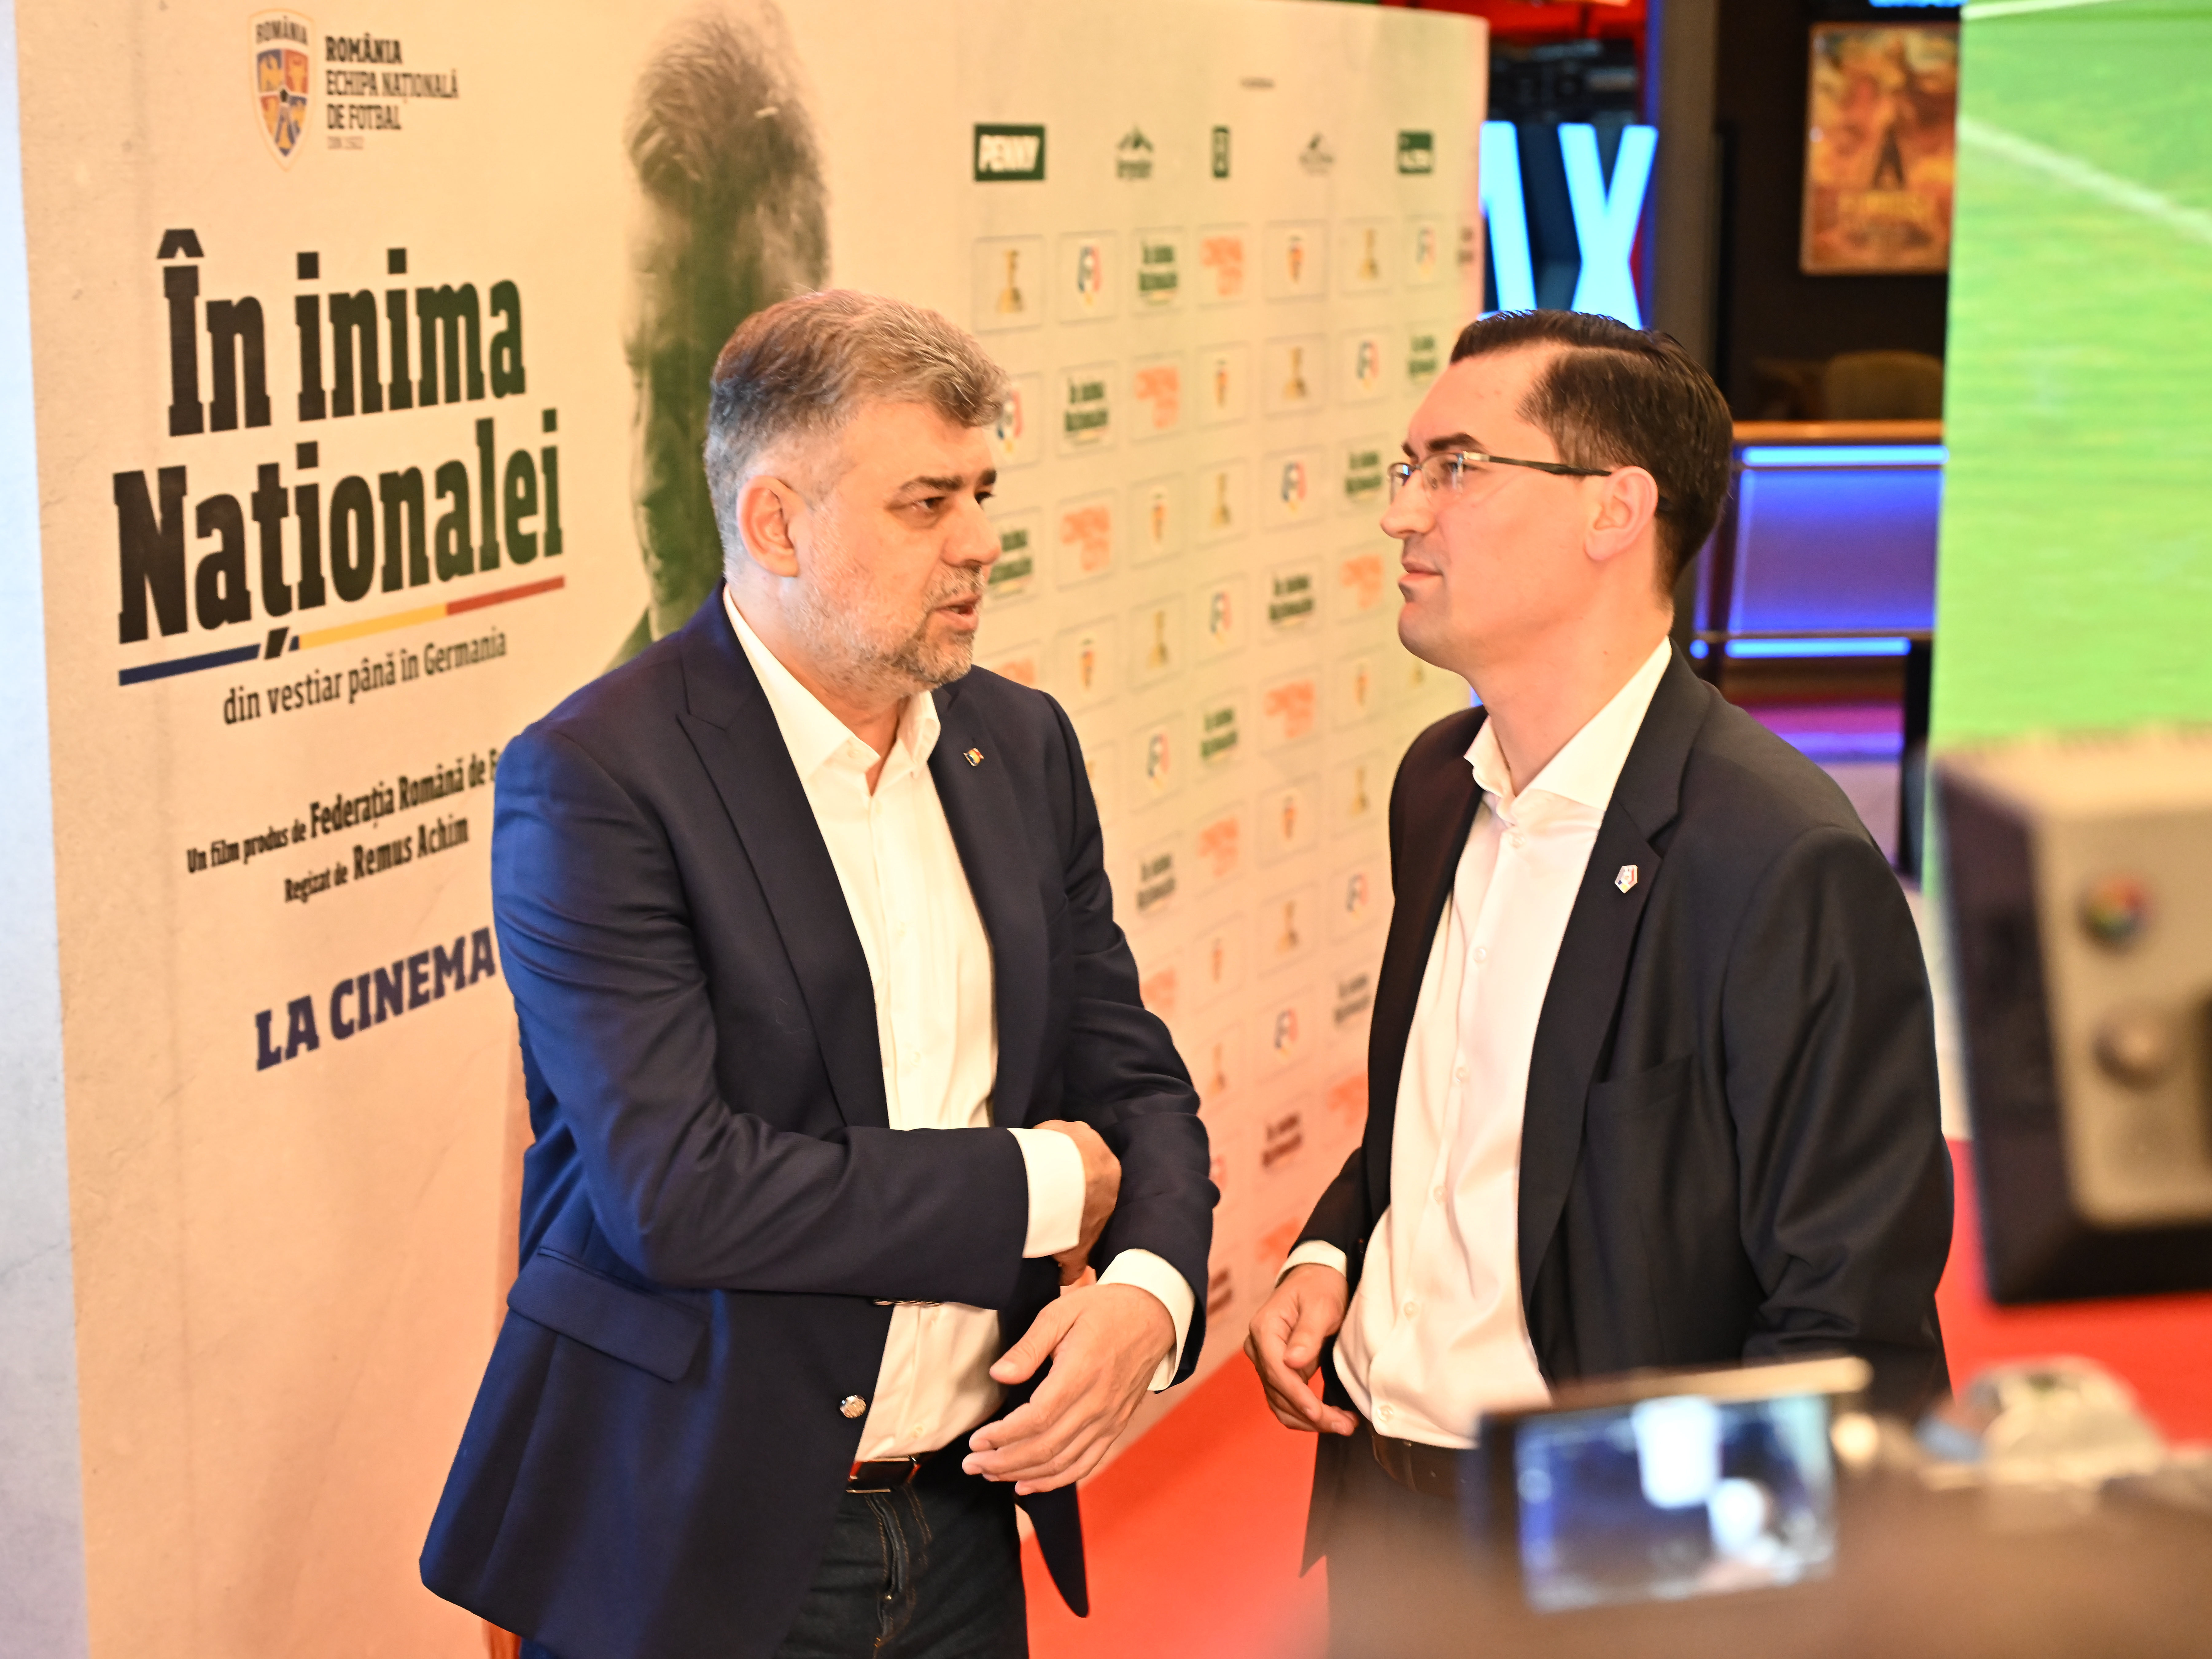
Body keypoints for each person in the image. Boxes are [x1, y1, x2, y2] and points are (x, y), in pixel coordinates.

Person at [422, 291, 1214, 1659]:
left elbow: (1128, 1071)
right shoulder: (600, 778)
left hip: (966, 1514)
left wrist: (1150, 1285)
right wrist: (1044, 1185)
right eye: (925, 503)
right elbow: (679, 1193)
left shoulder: (1020, 745)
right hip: (696, 1533)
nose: (979, 541)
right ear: (778, 524)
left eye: (981, 493)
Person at [1244, 310, 1952, 1642]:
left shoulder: (1775, 859)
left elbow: (1848, 1320)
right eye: (1406, 468)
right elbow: (1447, 1107)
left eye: (1455, 468)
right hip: (1381, 1516)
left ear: (1613, 511)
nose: (1404, 513)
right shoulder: (1435, 788)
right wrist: (1336, 1244)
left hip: (1609, 1569)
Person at [614, 2, 830, 666]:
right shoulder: (584, 734)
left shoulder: (925, 674)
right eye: (640, 381)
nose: (648, 483)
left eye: (695, 396)